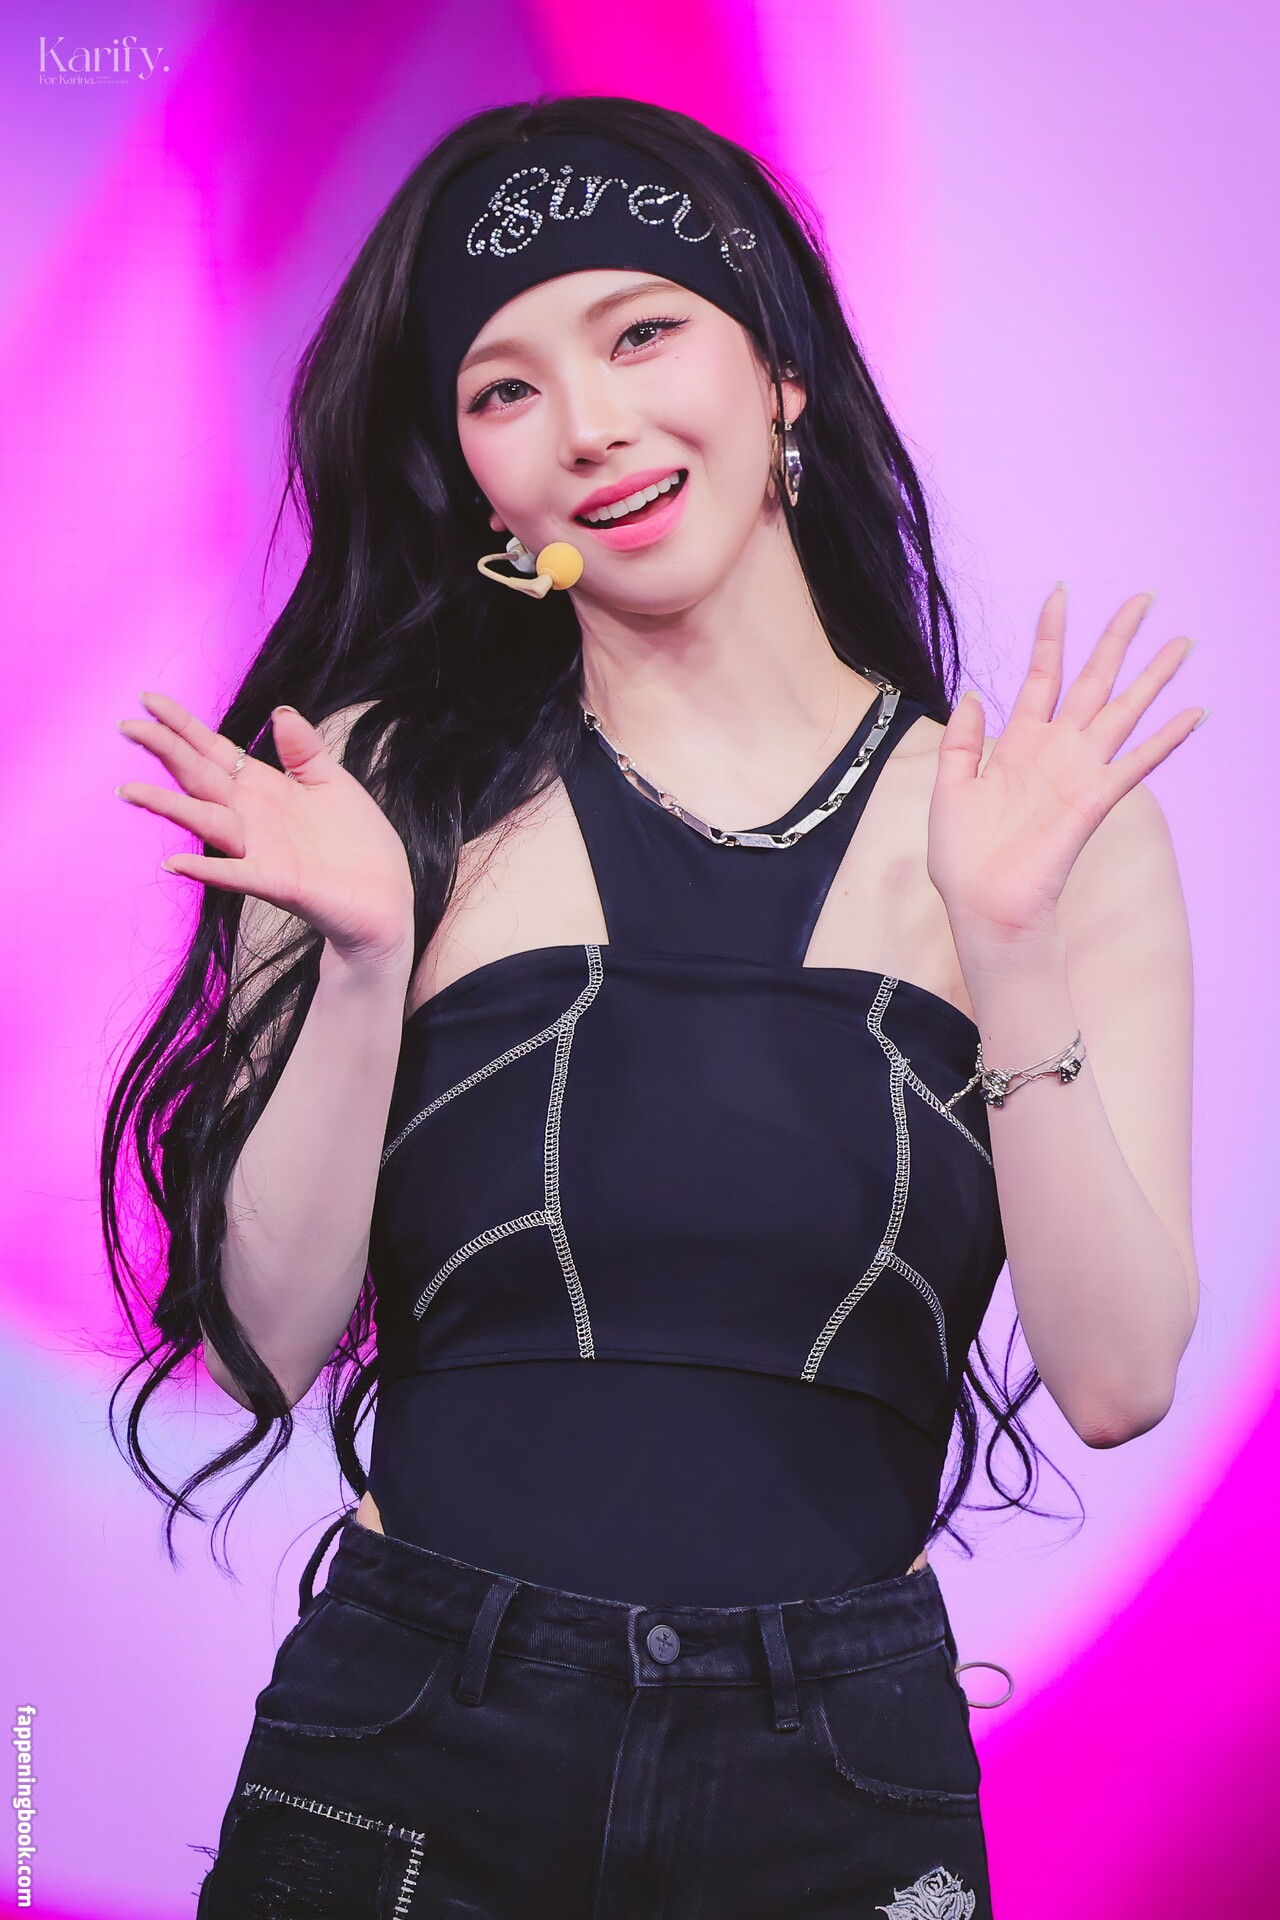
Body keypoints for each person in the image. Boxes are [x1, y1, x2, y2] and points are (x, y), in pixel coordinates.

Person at [102, 94, 1202, 1919]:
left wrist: (1007, 948)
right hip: (419, 1743)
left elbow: (1117, 1376)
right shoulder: (377, 787)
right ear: (481, 485)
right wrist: (365, 961)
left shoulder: (1038, 829)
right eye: (505, 388)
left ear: (780, 374)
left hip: (832, 1776)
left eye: (640, 334)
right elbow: (260, 1343)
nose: (589, 425)